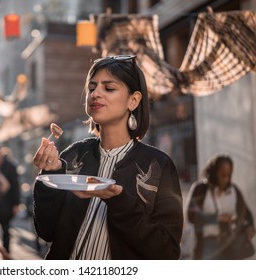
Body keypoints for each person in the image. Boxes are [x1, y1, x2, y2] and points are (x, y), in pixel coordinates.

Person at [32, 55, 184, 260]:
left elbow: (167, 252)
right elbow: (46, 231)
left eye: (109, 88)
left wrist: (119, 201)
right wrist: (50, 173)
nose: (96, 94)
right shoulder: (74, 156)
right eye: (92, 87)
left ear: (133, 100)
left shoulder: (158, 166)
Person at [186, 154, 255, 259]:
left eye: (229, 175)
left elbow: (246, 214)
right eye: (223, 175)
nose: (226, 179)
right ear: (214, 173)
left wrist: (249, 226)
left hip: (230, 243)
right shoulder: (201, 190)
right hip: (207, 244)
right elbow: (192, 217)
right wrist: (217, 219)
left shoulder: (233, 190)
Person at [0, 144, 21, 253]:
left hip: (6, 204)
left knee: (5, 229)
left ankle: (6, 252)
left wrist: (16, 204)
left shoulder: (10, 166)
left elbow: (15, 186)